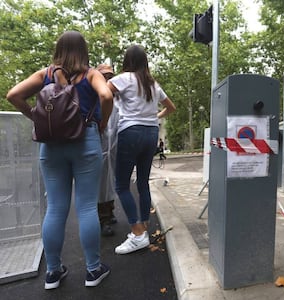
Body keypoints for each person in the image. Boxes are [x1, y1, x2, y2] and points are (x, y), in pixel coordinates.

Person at [6, 31, 113, 289]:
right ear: (83, 51)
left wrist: (38, 119)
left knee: (55, 208)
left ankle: (53, 273)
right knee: (86, 207)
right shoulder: (90, 74)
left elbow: (13, 95)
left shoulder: (45, 75)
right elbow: (106, 96)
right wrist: (102, 123)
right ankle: (93, 270)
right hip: (85, 141)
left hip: (51, 147)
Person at [107, 44, 176, 255]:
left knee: (121, 185)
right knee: (143, 182)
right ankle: (143, 226)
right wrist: (155, 116)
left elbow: (102, 95)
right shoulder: (153, 84)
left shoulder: (123, 78)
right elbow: (171, 108)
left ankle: (137, 234)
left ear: (127, 61)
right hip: (151, 134)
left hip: (131, 132)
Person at [96, 64, 118, 237]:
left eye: (110, 76)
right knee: (101, 182)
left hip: (114, 146)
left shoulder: (118, 97)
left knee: (111, 181)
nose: (108, 79)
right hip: (99, 144)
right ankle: (102, 218)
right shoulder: (96, 96)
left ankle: (109, 213)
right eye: (105, 76)